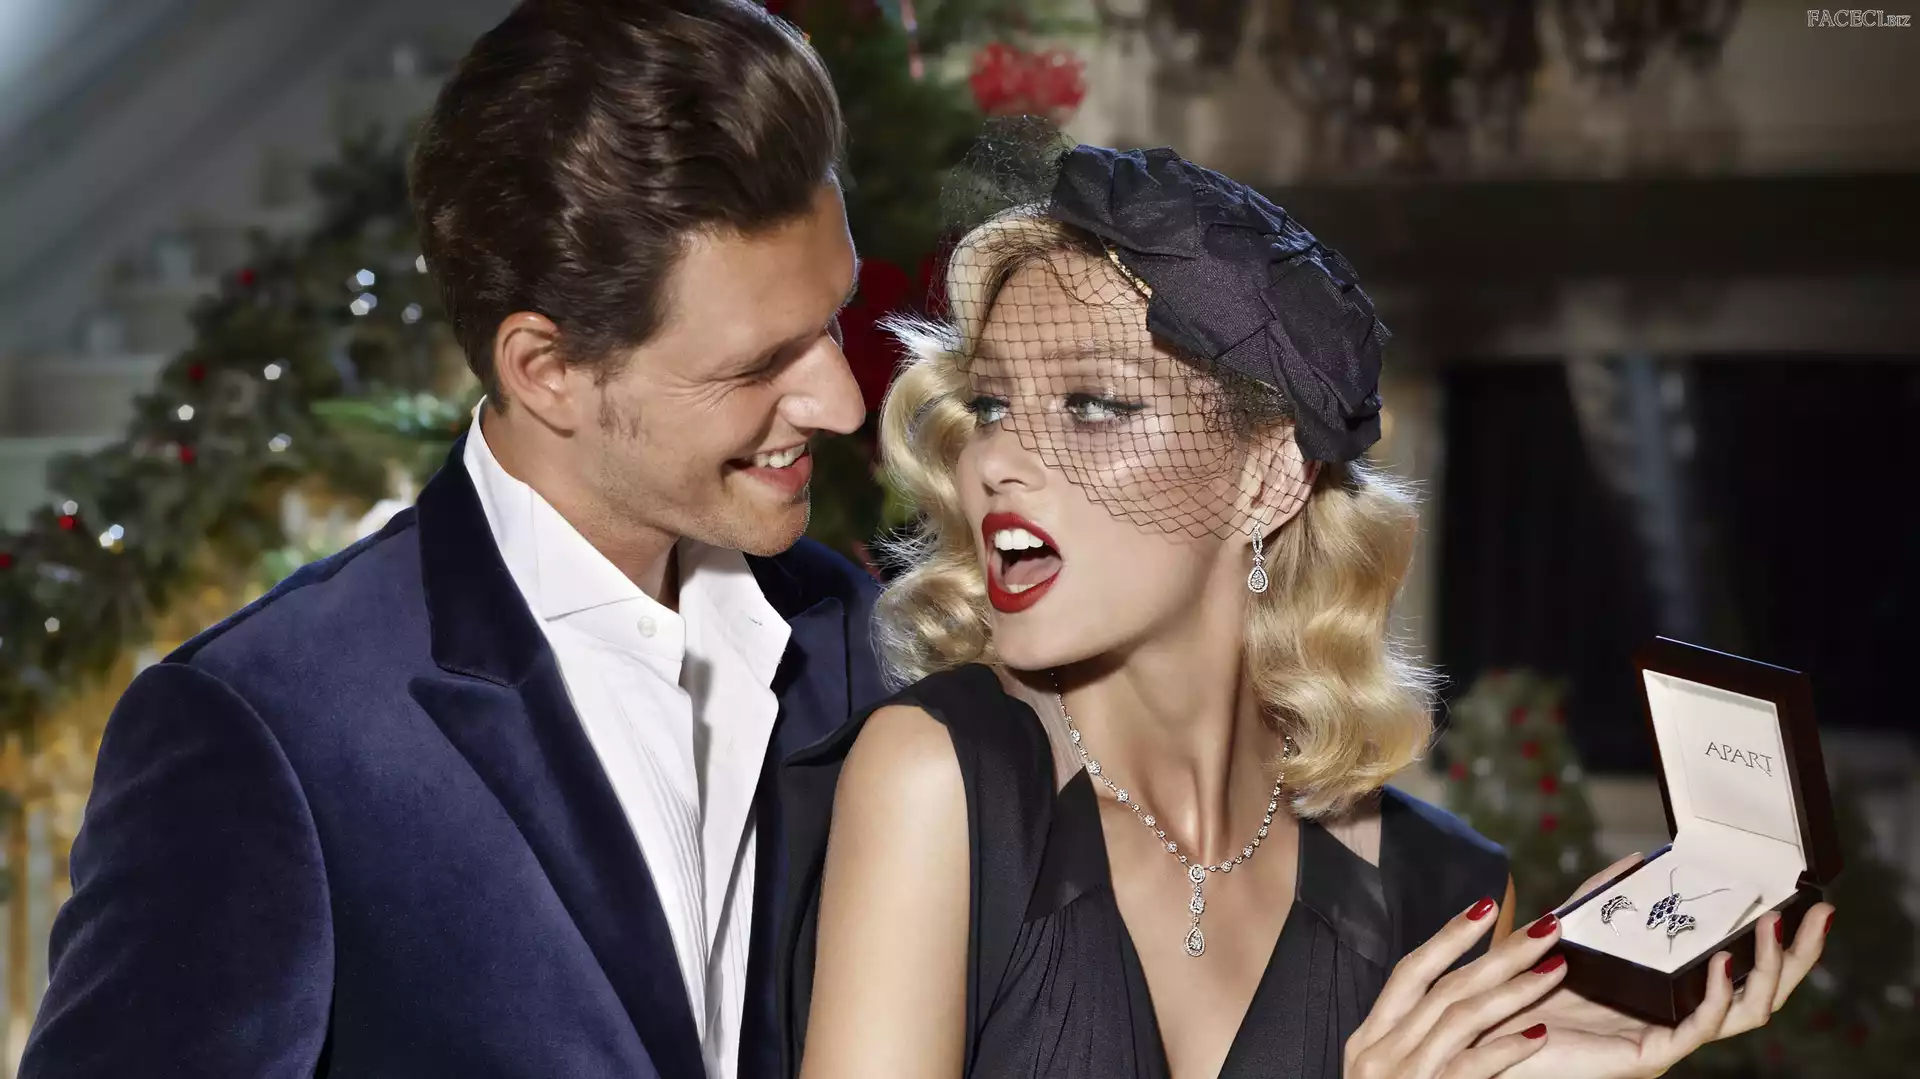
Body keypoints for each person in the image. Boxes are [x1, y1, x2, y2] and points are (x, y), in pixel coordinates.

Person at [776, 127, 1834, 1079]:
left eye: (1092, 404)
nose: (996, 457)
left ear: (1268, 478)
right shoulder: (938, 779)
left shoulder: (1443, 898)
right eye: (994, 402)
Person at [22, 3, 886, 1077]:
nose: (843, 402)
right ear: (547, 370)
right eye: (757, 366)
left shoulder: (863, 646)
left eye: (831, 320)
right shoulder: (270, 728)